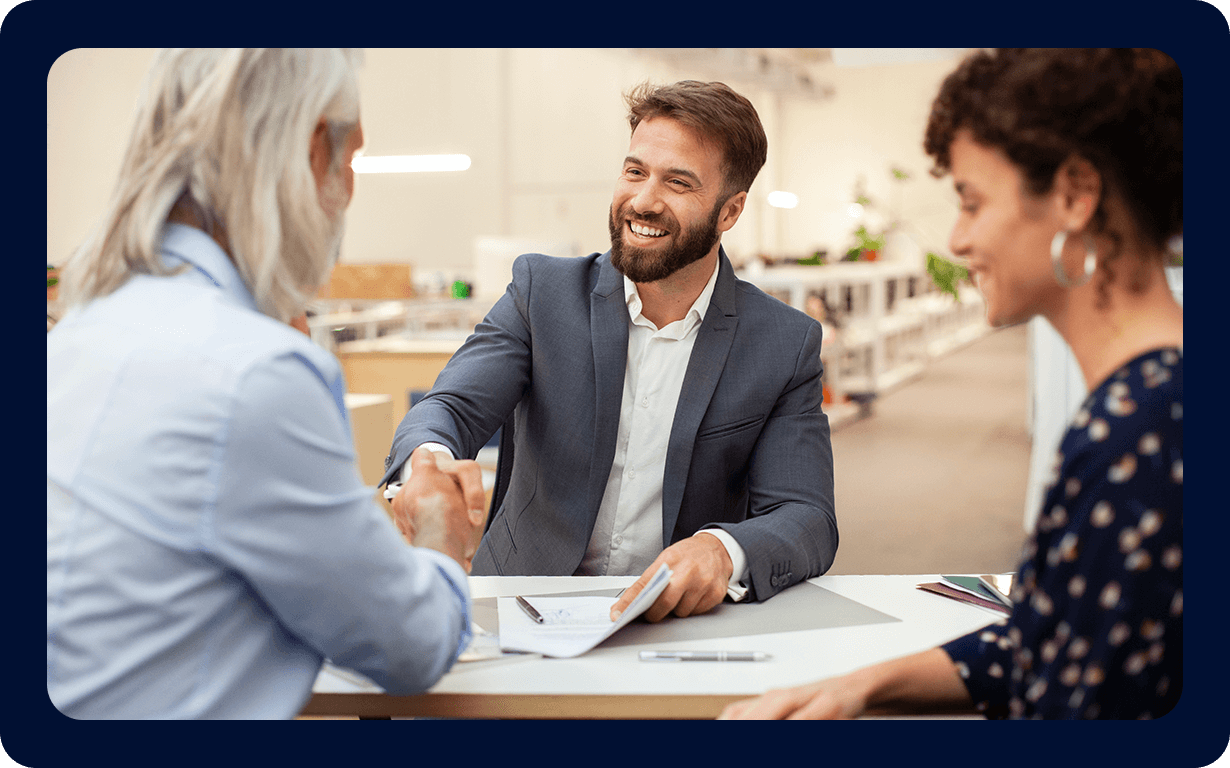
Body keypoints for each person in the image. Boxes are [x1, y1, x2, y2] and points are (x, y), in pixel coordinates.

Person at [720, 48, 1182, 720]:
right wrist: (864, 684)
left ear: (1077, 196)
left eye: (970, 201)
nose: (959, 240)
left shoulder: (1140, 436)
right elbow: (1044, 642)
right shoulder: (1150, 405)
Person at [47, 48, 487, 719]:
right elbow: (408, 645)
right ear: (315, 151)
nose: (349, 187)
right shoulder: (255, 373)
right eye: (352, 159)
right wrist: (441, 541)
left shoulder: (82, 328)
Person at [379, 80, 838, 622]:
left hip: (674, 621)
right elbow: (450, 407)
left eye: (678, 183)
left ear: (729, 211)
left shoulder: (783, 343)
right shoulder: (541, 294)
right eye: (635, 171)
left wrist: (721, 549)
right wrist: (425, 463)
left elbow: (806, 515)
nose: (644, 200)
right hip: (521, 602)